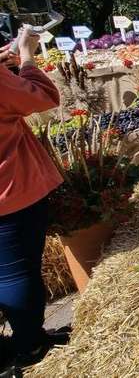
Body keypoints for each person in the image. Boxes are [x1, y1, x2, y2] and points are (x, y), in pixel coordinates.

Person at [0, 26, 65, 375]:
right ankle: (29, 344)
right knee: (16, 273)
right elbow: (42, 98)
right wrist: (26, 56)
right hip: (9, 191)